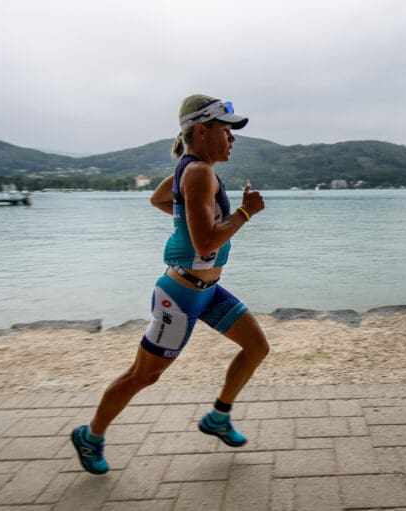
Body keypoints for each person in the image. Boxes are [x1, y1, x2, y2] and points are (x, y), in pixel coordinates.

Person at [71, 94, 268, 474]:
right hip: (179, 296)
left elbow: (160, 198)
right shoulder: (197, 172)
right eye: (227, 130)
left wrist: (185, 215)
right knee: (142, 375)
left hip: (206, 292)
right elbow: (206, 242)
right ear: (202, 130)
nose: (233, 138)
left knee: (256, 347)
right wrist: (246, 212)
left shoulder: (191, 169)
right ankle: (90, 435)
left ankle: (218, 417)